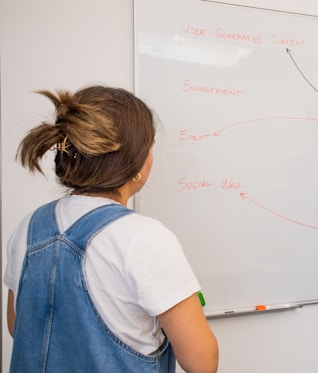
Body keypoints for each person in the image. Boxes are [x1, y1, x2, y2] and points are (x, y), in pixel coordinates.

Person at [3, 85, 219, 372]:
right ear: (136, 162)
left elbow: (18, 326)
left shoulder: (29, 227)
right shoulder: (144, 239)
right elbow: (202, 362)